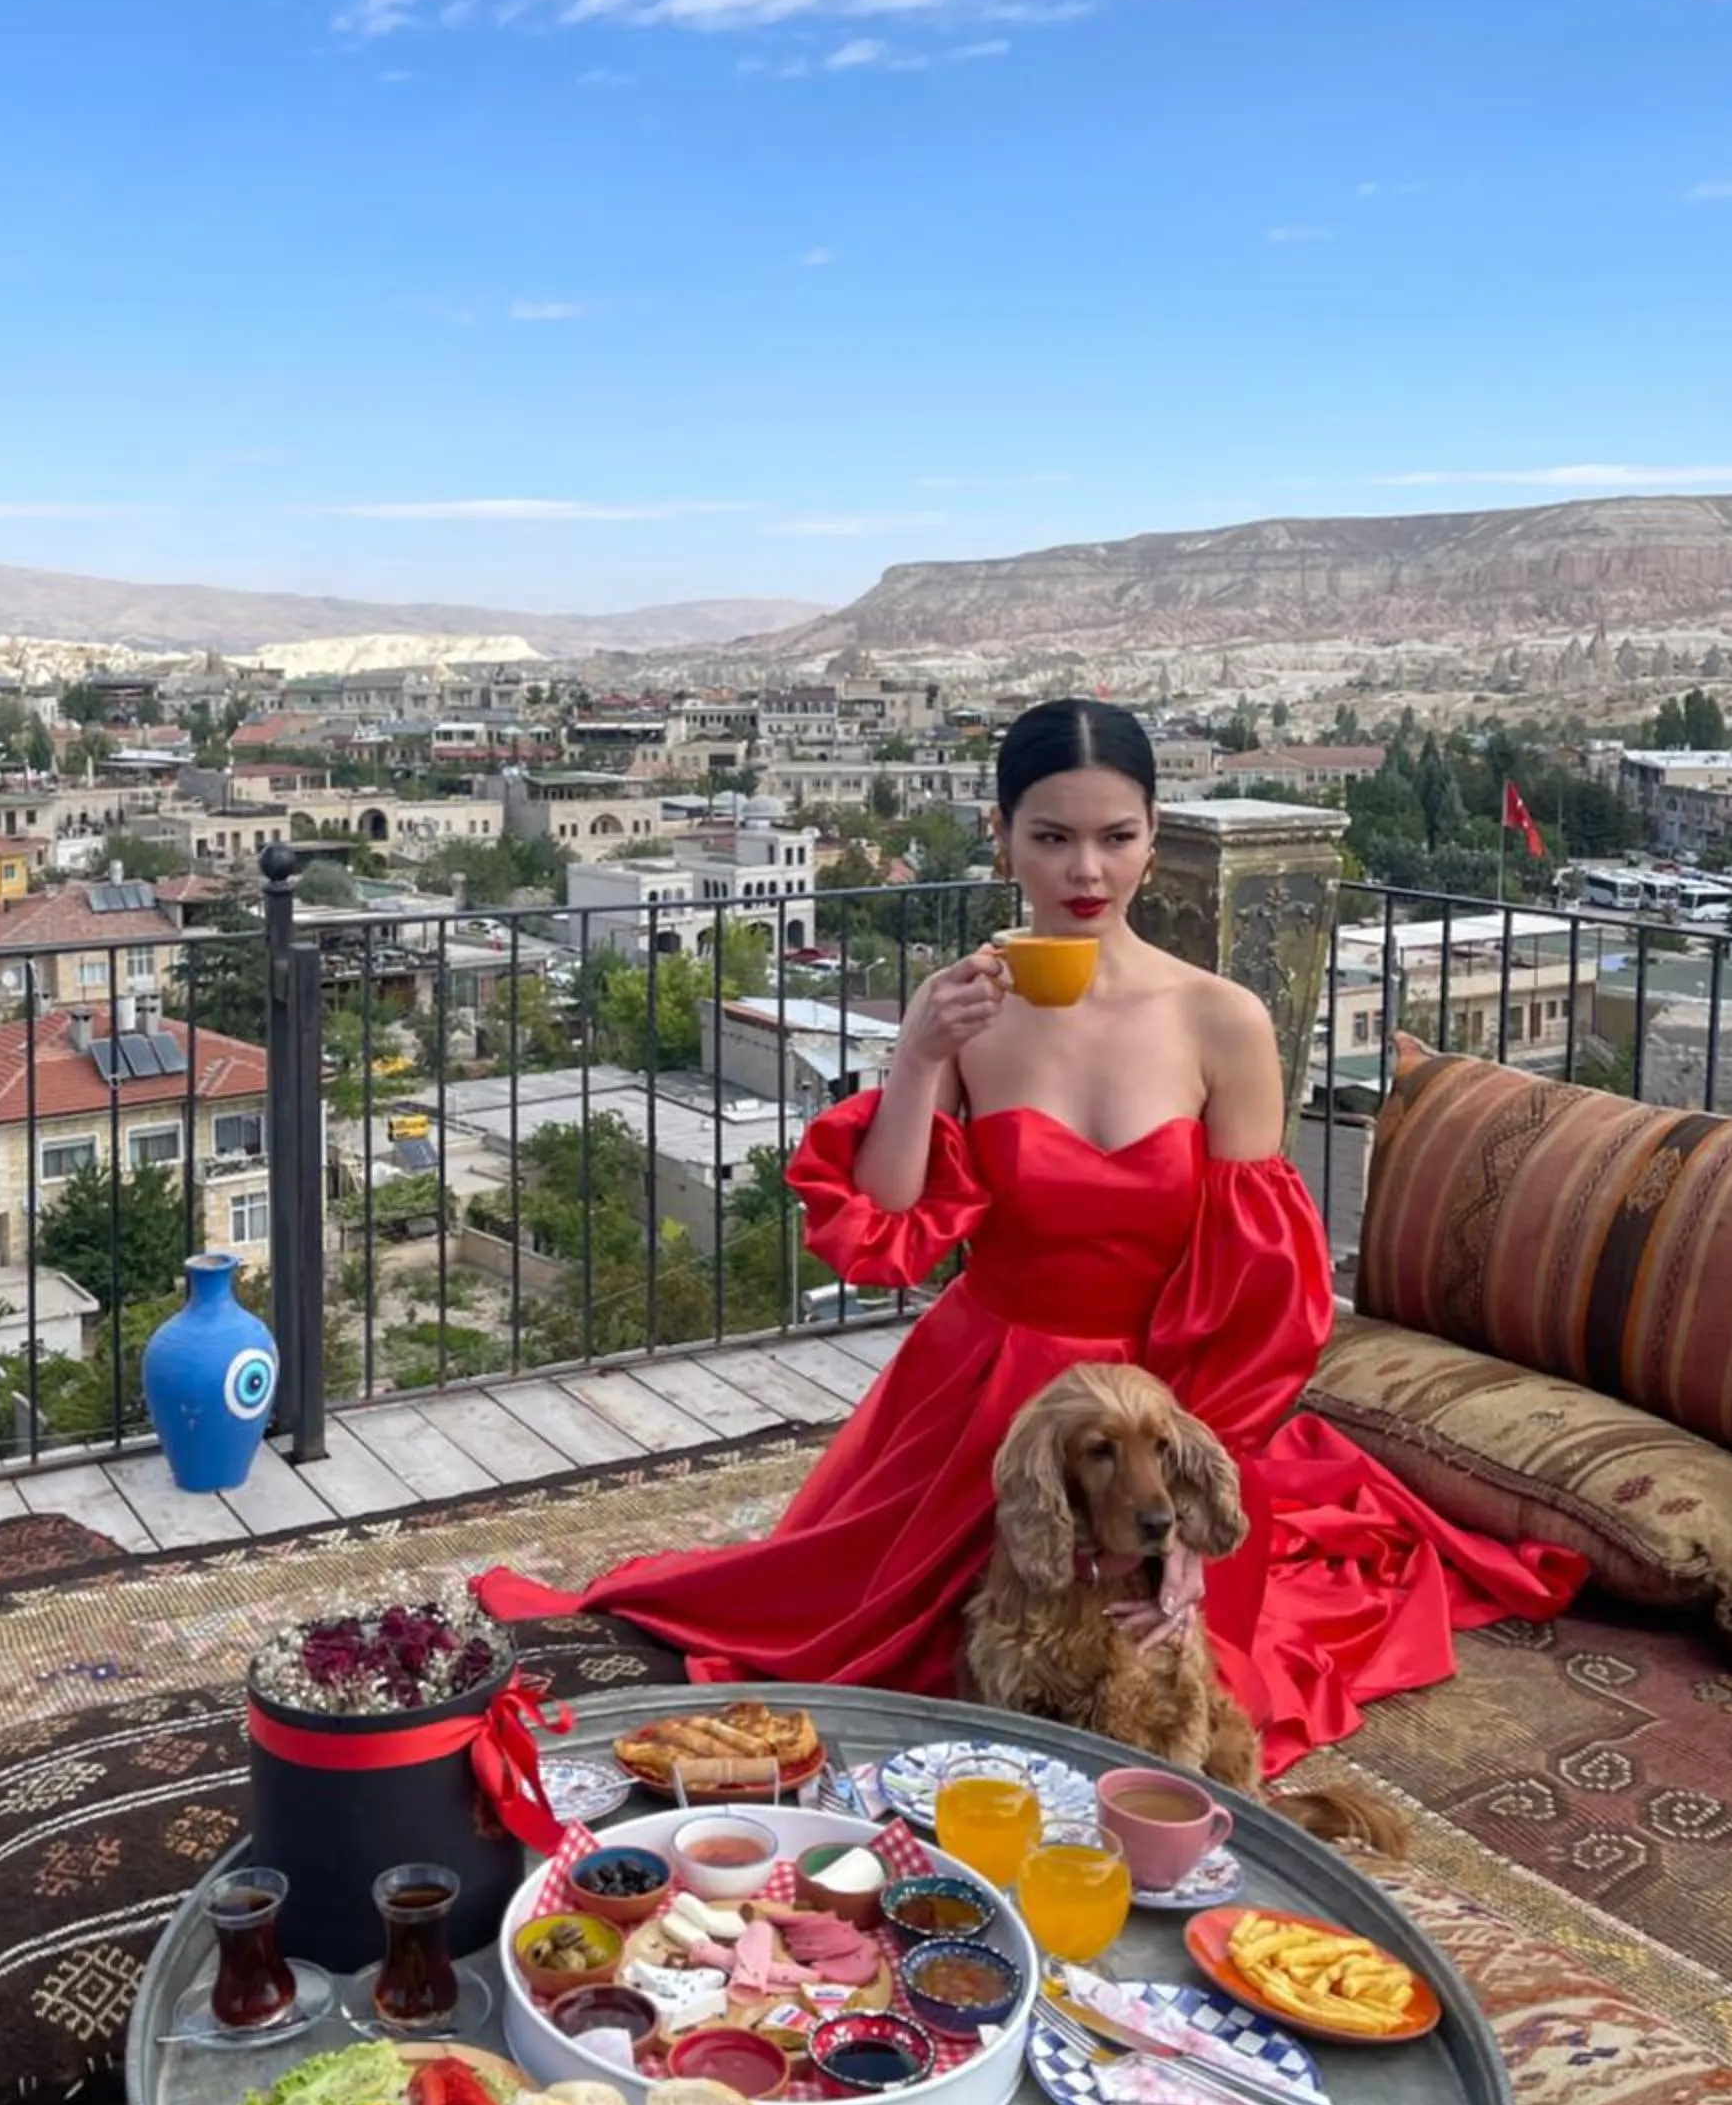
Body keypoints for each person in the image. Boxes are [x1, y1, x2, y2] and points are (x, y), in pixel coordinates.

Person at [477, 699, 1583, 1769]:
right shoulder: (966, 1008)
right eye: (1052, 838)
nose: (1086, 873)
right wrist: (916, 1056)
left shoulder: (1223, 1022)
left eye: (1117, 838)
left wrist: (1184, 1517)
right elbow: (887, 1226)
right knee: (843, 1644)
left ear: (1154, 841)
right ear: (1002, 838)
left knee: (1175, 1676)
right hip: (981, 1396)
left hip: (1158, 1402)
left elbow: (1258, 1299)